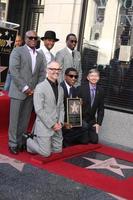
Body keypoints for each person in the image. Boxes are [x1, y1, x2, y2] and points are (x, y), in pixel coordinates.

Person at [8, 30, 45, 154]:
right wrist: (25, 88)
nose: (33, 40)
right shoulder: (17, 51)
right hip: (19, 92)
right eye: (31, 37)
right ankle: (12, 143)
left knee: (24, 120)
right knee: (15, 120)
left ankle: (20, 142)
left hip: (32, 93)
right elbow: (14, 70)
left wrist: (37, 89)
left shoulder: (40, 55)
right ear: (25, 38)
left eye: (35, 38)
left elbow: (42, 74)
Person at [26, 61, 64, 157]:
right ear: (47, 70)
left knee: (57, 151)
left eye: (58, 69)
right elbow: (39, 110)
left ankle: (41, 142)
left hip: (57, 126)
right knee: (46, 153)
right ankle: (27, 140)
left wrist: (61, 122)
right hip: (45, 125)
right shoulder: (40, 87)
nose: (56, 71)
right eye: (53, 69)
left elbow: (61, 107)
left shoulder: (61, 88)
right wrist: (52, 124)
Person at [60, 67, 89, 147]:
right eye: (71, 76)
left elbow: (73, 106)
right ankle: (64, 142)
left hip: (71, 117)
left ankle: (67, 140)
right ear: (65, 76)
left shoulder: (74, 89)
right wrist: (64, 122)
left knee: (85, 126)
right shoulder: (60, 88)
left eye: (76, 77)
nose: (74, 78)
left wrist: (79, 104)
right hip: (60, 117)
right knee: (70, 127)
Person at [77, 69, 104, 144]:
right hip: (82, 119)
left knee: (94, 141)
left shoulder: (101, 90)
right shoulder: (80, 89)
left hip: (92, 120)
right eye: (92, 76)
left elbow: (101, 109)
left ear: (99, 78)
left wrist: (98, 123)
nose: (94, 78)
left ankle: (86, 133)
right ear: (88, 77)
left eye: (96, 76)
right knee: (84, 141)